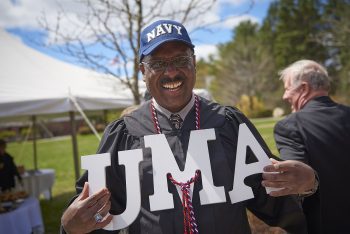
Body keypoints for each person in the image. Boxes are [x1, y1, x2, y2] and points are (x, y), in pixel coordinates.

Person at [60, 20, 315, 234]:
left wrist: (308, 186)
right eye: (158, 64)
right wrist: (70, 226)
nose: (171, 72)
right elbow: (91, 212)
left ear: (194, 62)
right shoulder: (124, 134)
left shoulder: (228, 124)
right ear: (143, 72)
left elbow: (273, 199)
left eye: (180, 59)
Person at [272, 59, 350, 233]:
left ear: (304, 89)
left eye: (287, 88)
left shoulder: (290, 126)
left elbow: (295, 187)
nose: (285, 96)